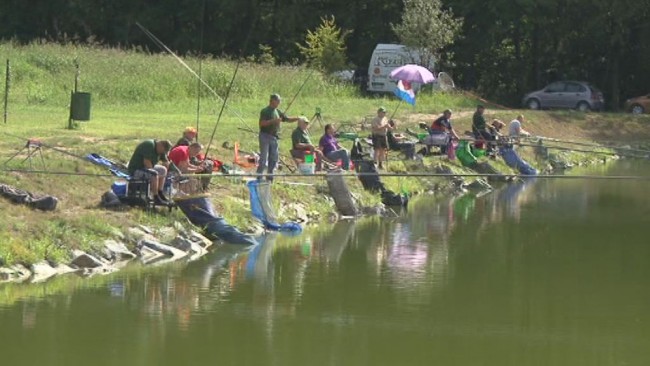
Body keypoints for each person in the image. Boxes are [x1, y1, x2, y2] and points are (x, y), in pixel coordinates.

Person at [257, 93, 299, 182]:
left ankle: (269, 177)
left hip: (274, 137)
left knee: (274, 158)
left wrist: (298, 118)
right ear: (272, 101)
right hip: (265, 136)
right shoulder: (265, 111)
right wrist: (274, 121)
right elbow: (262, 123)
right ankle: (259, 177)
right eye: (278, 100)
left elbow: (287, 119)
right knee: (264, 158)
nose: (279, 102)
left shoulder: (278, 111)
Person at [127, 139, 172, 204]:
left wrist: (167, 168)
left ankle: (160, 192)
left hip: (146, 168)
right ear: (161, 146)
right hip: (136, 169)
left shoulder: (160, 150)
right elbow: (147, 163)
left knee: (163, 170)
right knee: (154, 174)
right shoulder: (149, 145)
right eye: (163, 151)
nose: (163, 153)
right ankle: (155, 196)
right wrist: (155, 177)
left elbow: (166, 162)